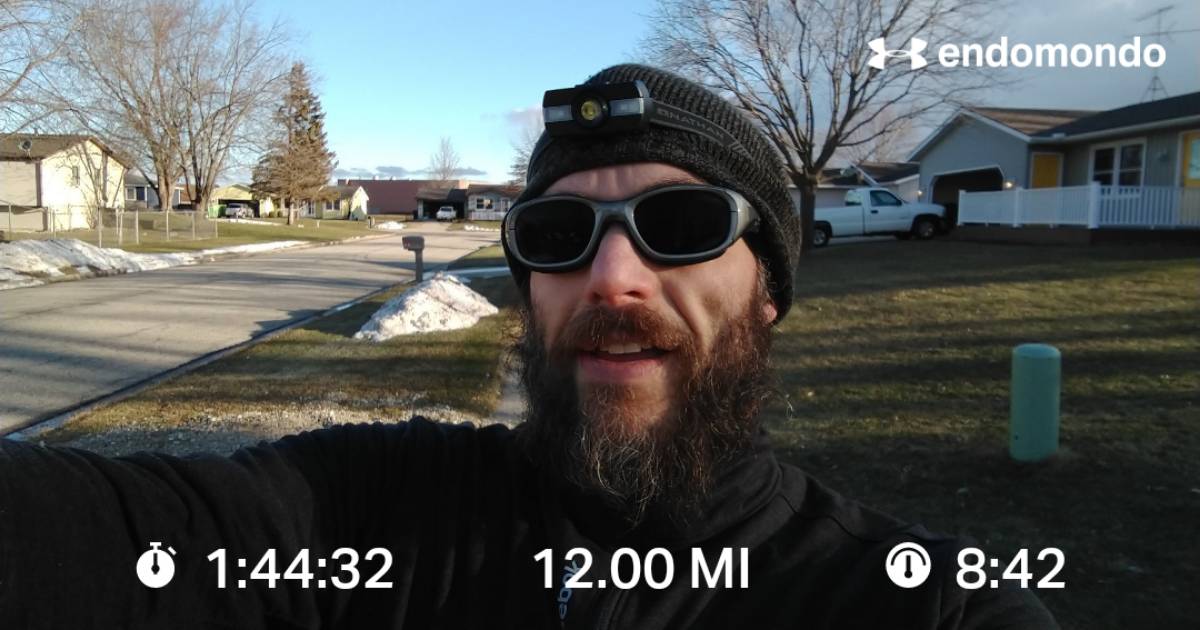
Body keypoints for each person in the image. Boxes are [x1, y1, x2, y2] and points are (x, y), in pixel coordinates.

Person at [0, 64, 1057, 629]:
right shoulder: (375, 516)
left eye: (681, 224)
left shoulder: (913, 600)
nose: (612, 277)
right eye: (558, 235)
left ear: (769, 290)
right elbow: (131, 542)